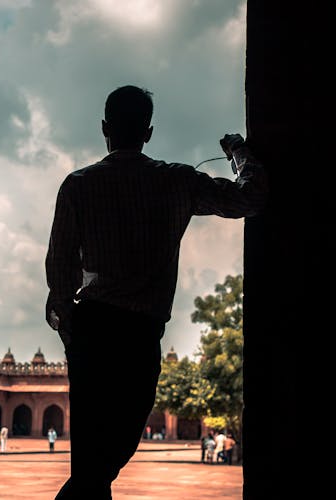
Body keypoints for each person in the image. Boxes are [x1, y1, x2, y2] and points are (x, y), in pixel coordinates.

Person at [46, 85, 267, 499]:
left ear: (104, 129)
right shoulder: (176, 181)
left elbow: (59, 276)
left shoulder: (78, 185)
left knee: (94, 459)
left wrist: (72, 335)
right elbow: (251, 198)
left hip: (92, 328)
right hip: (140, 331)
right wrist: (238, 151)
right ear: (148, 132)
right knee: (110, 452)